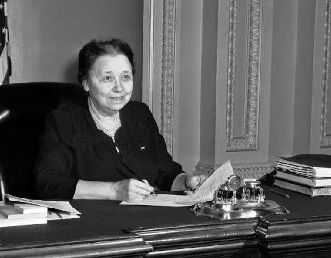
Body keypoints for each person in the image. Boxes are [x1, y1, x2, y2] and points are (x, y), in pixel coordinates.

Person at [34, 38, 206, 202]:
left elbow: (165, 172)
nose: (119, 88)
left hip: (146, 220)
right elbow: (47, 183)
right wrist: (115, 191)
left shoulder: (140, 114)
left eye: (125, 77)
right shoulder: (64, 121)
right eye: (108, 78)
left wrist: (185, 181)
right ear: (86, 83)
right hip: (94, 224)